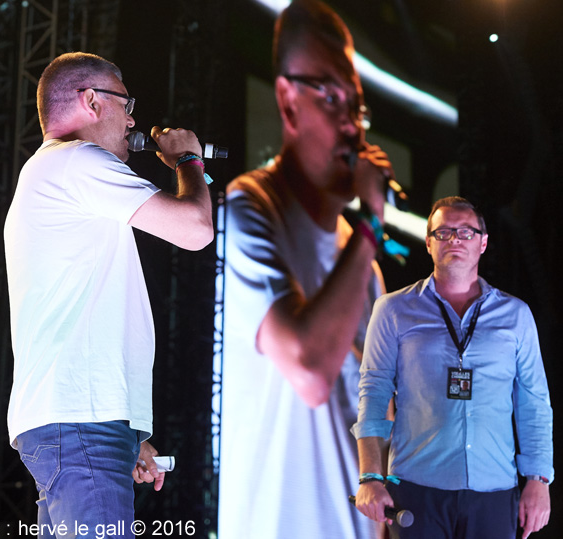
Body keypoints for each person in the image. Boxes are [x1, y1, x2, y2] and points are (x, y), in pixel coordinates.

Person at [4, 52, 213, 536]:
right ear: (92, 100)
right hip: (80, 424)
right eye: (127, 102)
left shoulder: (54, 175)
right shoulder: (77, 162)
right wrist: (188, 159)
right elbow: (197, 229)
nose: (134, 118)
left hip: (80, 422)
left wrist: (126, 437)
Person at [217, 1, 397, 537]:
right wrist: (371, 227)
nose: (351, 126)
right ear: (287, 101)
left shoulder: (359, 262)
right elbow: (310, 369)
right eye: (330, 96)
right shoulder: (248, 210)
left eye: (357, 106)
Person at [352, 196, 554, 539]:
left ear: (483, 242)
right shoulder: (393, 310)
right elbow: (373, 393)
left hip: (494, 490)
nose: (455, 240)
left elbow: (534, 403)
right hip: (416, 488)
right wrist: (370, 476)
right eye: (443, 233)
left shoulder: (516, 315)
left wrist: (538, 480)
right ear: (429, 242)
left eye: (465, 232)